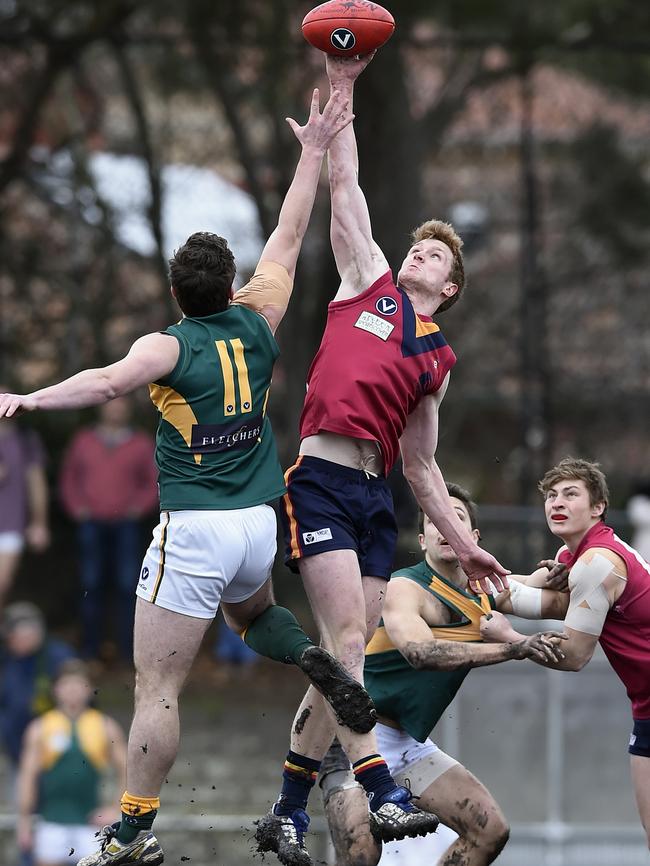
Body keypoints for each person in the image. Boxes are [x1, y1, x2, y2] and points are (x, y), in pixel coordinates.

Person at [0, 88, 362, 866]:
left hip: (195, 526)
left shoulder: (171, 345)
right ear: (231, 283)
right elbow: (292, 231)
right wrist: (313, 150)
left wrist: (29, 396)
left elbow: (102, 384)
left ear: (176, 294)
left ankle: (133, 829)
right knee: (251, 615)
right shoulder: (259, 317)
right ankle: (310, 656)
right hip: (258, 524)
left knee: (156, 687)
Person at [251, 53, 508, 866]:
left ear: (452, 286)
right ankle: (371, 790)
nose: (419, 254)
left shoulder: (436, 360)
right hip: (321, 479)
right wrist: (345, 91)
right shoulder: (369, 284)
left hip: (373, 496)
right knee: (348, 645)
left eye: (435, 255)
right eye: (418, 247)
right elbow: (345, 192)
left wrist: (464, 544)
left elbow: (424, 469)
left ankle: (287, 807)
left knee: (347, 652)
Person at [319, 484, 565, 866]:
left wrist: (568, 570)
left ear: (473, 538)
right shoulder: (405, 587)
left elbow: (550, 595)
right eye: (435, 520)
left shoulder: (485, 590)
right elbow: (420, 653)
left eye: (456, 518)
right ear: (423, 538)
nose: (445, 526)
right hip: (357, 741)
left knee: (490, 831)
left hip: (408, 744)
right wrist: (511, 647)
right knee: (362, 852)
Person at [493, 457, 650, 850]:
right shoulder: (572, 561)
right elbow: (518, 595)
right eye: (551, 495)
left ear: (598, 508)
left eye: (570, 494)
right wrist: (450, 581)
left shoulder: (596, 564)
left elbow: (576, 655)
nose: (556, 503)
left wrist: (512, 640)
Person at [59, 396, 159, 661]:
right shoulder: (83, 440)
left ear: (128, 412)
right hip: (91, 522)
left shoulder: (140, 443)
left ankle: (129, 652)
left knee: (129, 586)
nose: (115, 412)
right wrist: (76, 506)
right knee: (90, 585)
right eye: (111, 406)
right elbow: (69, 477)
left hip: (126, 524)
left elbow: (153, 480)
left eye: (121, 408)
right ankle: (89, 651)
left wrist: (139, 506)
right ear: (102, 409)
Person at [16, 660, 127, 866]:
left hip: (90, 823)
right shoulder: (40, 728)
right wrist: (24, 821)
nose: (73, 691)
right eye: (67, 685)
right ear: (56, 689)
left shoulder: (105, 726)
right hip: (51, 821)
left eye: (79, 684)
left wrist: (115, 809)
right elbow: (27, 777)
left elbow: (128, 770)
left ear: (90, 689)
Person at [0, 602, 77, 771]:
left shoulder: (59, 657)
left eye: (13, 636)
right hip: (15, 751)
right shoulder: (7, 658)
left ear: (33, 633)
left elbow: (79, 700)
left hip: (55, 753)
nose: (9, 641)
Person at [0, 408, 50, 610]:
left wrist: (39, 524)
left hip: (11, 524)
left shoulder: (25, 439)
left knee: (2, 585)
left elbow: (36, 481)